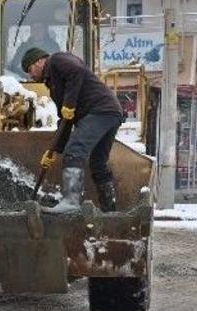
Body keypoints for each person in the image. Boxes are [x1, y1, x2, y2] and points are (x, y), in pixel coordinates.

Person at [22, 47, 123, 212]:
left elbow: (77, 71)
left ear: (40, 61)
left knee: (75, 150)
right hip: (110, 112)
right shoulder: (53, 84)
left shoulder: (56, 60)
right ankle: (109, 210)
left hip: (99, 110)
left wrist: (69, 103)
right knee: (97, 163)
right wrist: (52, 151)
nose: (30, 75)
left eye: (30, 69)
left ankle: (71, 202)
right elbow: (66, 120)